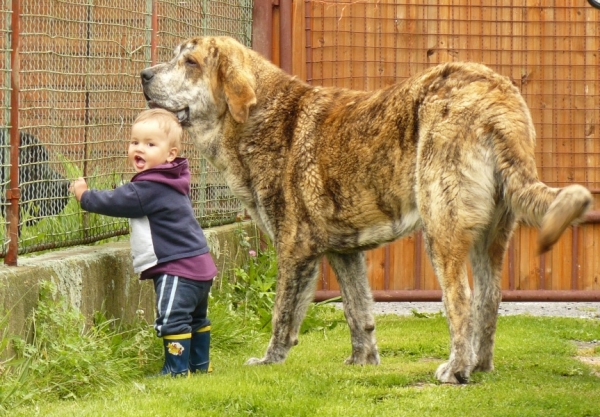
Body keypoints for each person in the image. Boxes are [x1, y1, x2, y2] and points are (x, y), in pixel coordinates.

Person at [70, 108, 216, 377]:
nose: (140, 148)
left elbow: (115, 201)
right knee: (196, 318)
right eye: (135, 142)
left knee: (172, 319)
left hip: (178, 268)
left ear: (170, 154)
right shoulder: (171, 180)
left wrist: (84, 195)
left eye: (150, 144)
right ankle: (198, 367)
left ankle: (175, 370)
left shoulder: (149, 188)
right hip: (200, 265)